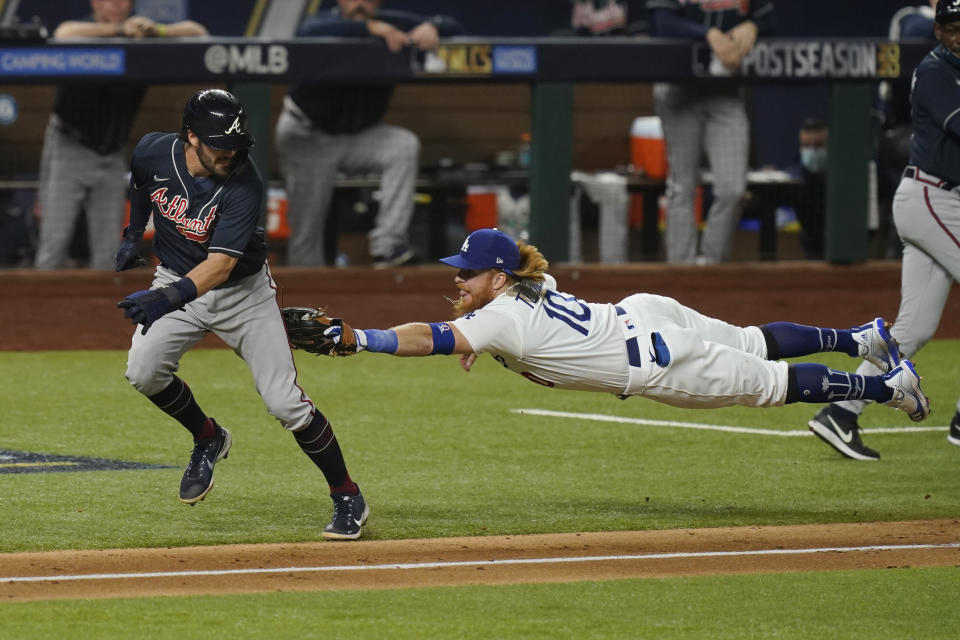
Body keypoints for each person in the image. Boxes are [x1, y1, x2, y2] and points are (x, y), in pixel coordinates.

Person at [288, 228, 930, 424]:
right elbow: (498, 322)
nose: (459, 279)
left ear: (499, 278)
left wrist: (357, 338)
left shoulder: (503, 312)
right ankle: (860, 337)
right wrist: (480, 335)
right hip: (646, 312)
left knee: (774, 383)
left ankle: (887, 386)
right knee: (756, 338)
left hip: (658, 358)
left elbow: (428, 337)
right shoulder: (530, 286)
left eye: (469, 272)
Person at [115, 89, 369, 540]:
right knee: (143, 371)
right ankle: (208, 436)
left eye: (235, 145)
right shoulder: (153, 150)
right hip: (176, 278)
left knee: (284, 403)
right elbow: (139, 182)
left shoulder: (245, 184)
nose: (229, 153)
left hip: (242, 295)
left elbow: (221, 266)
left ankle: (347, 495)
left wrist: (163, 299)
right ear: (189, 136)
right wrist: (134, 232)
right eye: (218, 144)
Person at [808, 0, 960, 461]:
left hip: (940, 202)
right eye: (953, 27)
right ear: (938, 31)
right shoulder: (936, 70)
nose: (959, 35)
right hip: (933, 198)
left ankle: (840, 412)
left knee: (913, 328)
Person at [274, 0, 464, 268]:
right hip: (308, 134)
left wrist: (433, 27)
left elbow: (452, 25)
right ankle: (306, 297)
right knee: (306, 241)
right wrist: (374, 28)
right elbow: (308, 31)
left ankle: (388, 246)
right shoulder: (324, 23)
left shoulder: (392, 21)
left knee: (402, 145)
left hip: (359, 136)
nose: (360, 3)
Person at [34, 0, 208, 270]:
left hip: (111, 154)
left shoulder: (143, 35)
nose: (116, 3)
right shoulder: (85, 29)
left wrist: (157, 31)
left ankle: (100, 312)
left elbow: (198, 32)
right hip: (70, 146)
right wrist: (118, 30)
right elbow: (63, 33)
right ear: (95, 3)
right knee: (53, 245)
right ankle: (38, 311)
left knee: (108, 253)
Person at [647, 0, 775, 264]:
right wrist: (708, 34)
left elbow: (770, 20)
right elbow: (661, 23)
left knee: (733, 189)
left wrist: (753, 26)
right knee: (683, 187)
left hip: (725, 90)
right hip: (678, 88)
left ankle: (711, 268)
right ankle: (681, 270)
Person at [785, 118, 828, 260]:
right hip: (811, 247)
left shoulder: (846, 176)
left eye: (818, 145)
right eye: (806, 146)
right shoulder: (796, 177)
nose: (812, 151)